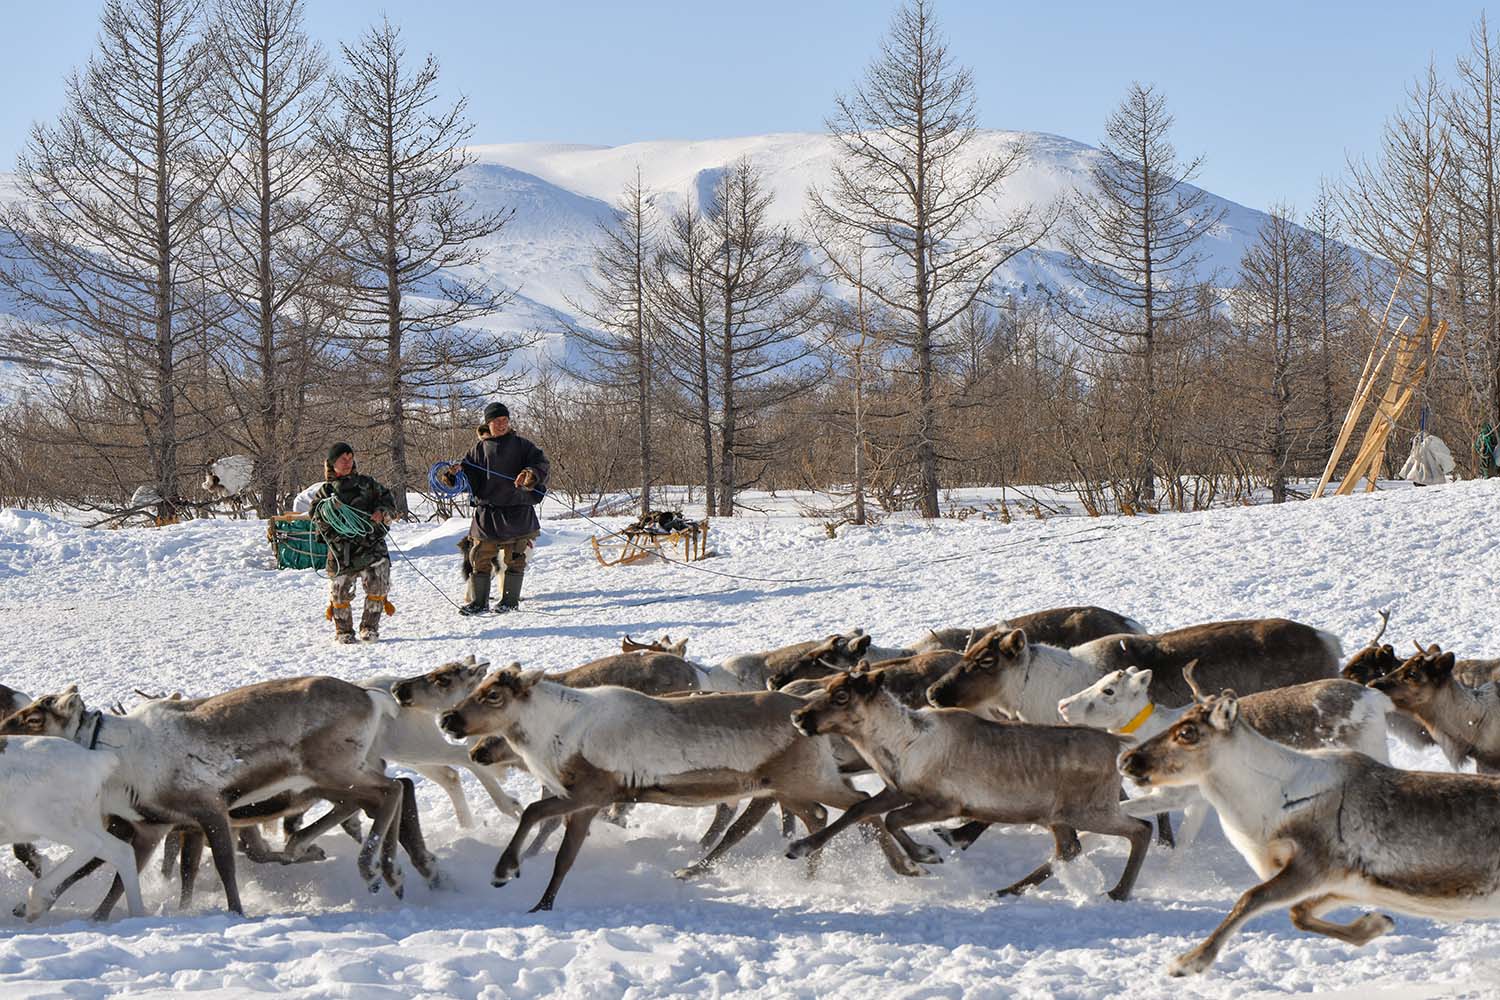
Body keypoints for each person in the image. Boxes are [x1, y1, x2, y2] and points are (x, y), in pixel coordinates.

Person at [440, 402, 549, 615]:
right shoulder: (477, 450)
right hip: (487, 513)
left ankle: (509, 601)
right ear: (488, 423)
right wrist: (454, 475)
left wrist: (529, 474)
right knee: (479, 557)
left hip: (517, 510)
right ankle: (479, 602)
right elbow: (467, 477)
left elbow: (541, 464)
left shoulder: (523, 445)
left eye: (505, 420)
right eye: (497, 421)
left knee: (515, 559)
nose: (502, 424)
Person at [308, 442, 396, 643]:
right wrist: (332, 510)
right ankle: (343, 632)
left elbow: (389, 501)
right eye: (342, 459)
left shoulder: (368, 484)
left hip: (371, 547)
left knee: (378, 588)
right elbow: (315, 515)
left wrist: (381, 513)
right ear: (332, 463)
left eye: (350, 458)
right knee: (339, 593)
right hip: (341, 551)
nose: (347, 463)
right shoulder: (326, 492)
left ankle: (370, 628)